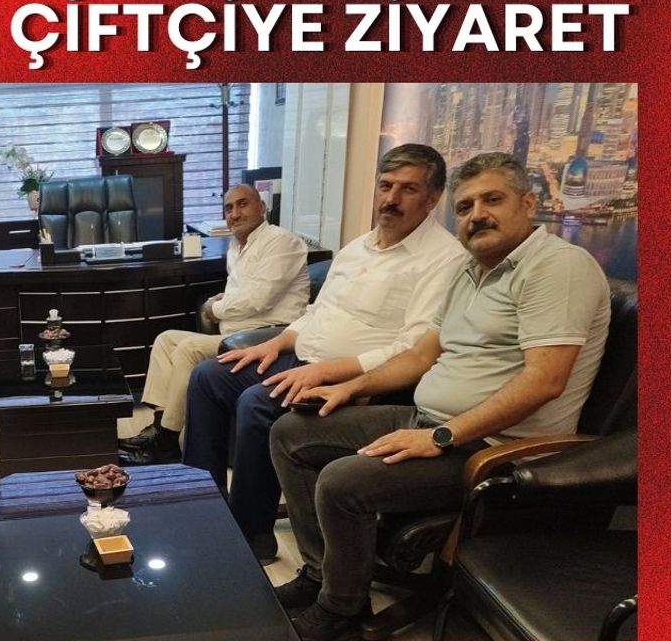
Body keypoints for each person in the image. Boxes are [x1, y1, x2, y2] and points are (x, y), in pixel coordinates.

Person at [270, 152, 611, 641]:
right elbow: (420, 355)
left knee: (344, 482)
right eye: (466, 206)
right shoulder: (469, 270)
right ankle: (322, 573)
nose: (477, 215)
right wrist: (348, 387)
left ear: (528, 204)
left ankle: (342, 609)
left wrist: (441, 436)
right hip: (429, 418)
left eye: (492, 200)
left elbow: (544, 380)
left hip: (493, 447)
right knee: (292, 432)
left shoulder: (557, 267)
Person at [182, 144, 468, 561]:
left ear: (432, 198)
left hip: (356, 378)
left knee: (257, 403)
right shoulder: (357, 248)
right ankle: (202, 509)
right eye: (386, 186)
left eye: (407, 189)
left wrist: (332, 371)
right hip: (302, 357)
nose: (391, 198)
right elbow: (317, 313)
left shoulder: (444, 259)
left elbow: (413, 347)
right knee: (208, 377)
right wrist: (275, 342)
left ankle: (250, 536)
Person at [118, 183, 310, 465]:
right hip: (236, 332)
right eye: (229, 208)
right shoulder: (237, 247)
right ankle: (160, 426)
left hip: (267, 337)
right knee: (166, 339)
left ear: (262, 207)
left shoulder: (281, 242)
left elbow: (258, 299)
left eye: (243, 204)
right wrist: (223, 299)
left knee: (189, 349)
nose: (235, 214)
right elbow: (242, 292)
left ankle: (168, 441)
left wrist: (213, 307)